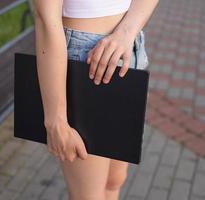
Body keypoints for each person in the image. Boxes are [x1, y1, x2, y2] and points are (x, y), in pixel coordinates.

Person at [32, 0, 159, 199]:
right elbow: (46, 20)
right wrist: (55, 120)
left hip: (128, 45)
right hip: (85, 61)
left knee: (114, 181)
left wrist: (127, 32)